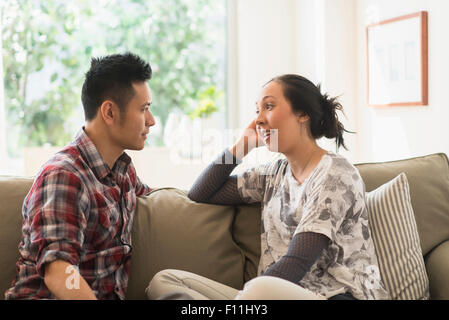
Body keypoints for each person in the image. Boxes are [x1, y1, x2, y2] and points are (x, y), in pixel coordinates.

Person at [147, 74, 390, 300]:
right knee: (165, 280)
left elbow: (297, 261)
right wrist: (241, 146)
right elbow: (200, 192)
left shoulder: (335, 173)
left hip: (335, 296)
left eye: (269, 106)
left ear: (302, 113)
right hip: (269, 295)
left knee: (261, 288)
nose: (258, 119)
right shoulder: (273, 174)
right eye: (257, 110)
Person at [5, 52, 156, 300]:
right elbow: (60, 271)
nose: (152, 121)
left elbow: (164, 197)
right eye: (143, 109)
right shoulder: (65, 175)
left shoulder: (122, 171)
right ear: (109, 112)